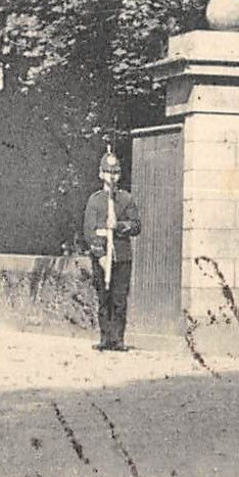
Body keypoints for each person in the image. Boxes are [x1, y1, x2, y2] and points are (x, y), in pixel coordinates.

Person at [83, 146, 141, 351]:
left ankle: (118, 339)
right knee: (103, 297)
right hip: (101, 257)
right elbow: (89, 231)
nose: (112, 176)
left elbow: (136, 226)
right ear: (101, 174)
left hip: (122, 257)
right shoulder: (95, 200)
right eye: (108, 172)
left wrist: (120, 226)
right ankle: (105, 338)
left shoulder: (126, 199)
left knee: (119, 298)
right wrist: (100, 256)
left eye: (116, 172)